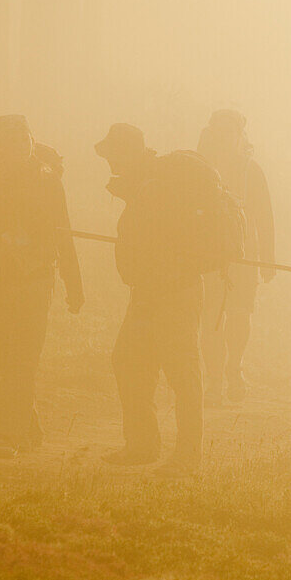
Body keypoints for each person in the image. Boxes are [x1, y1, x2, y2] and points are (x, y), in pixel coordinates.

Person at [0, 115, 84, 458]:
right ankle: (27, 424)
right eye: (13, 143)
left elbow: (63, 233)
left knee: (23, 358)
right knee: (8, 357)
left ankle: (6, 434)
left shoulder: (49, 182)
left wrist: (74, 283)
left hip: (35, 281)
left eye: (25, 141)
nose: (21, 148)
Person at [95, 123, 213, 478]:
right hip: (148, 292)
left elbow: (164, 238)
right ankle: (142, 446)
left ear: (129, 151)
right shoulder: (143, 182)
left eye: (113, 155)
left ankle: (188, 456)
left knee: (181, 373)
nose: (110, 163)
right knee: (129, 360)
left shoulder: (157, 184)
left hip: (174, 292)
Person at [196, 110, 275, 404]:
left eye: (230, 132)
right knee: (211, 318)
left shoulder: (250, 171)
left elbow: (264, 215)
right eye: (219, 131)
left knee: (240, 315)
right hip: (207, 257)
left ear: (240, 136)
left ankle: (234, 369)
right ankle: (214, 378)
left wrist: (267, 257)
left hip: (243, 256)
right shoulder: (199, 169)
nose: (225, 137)